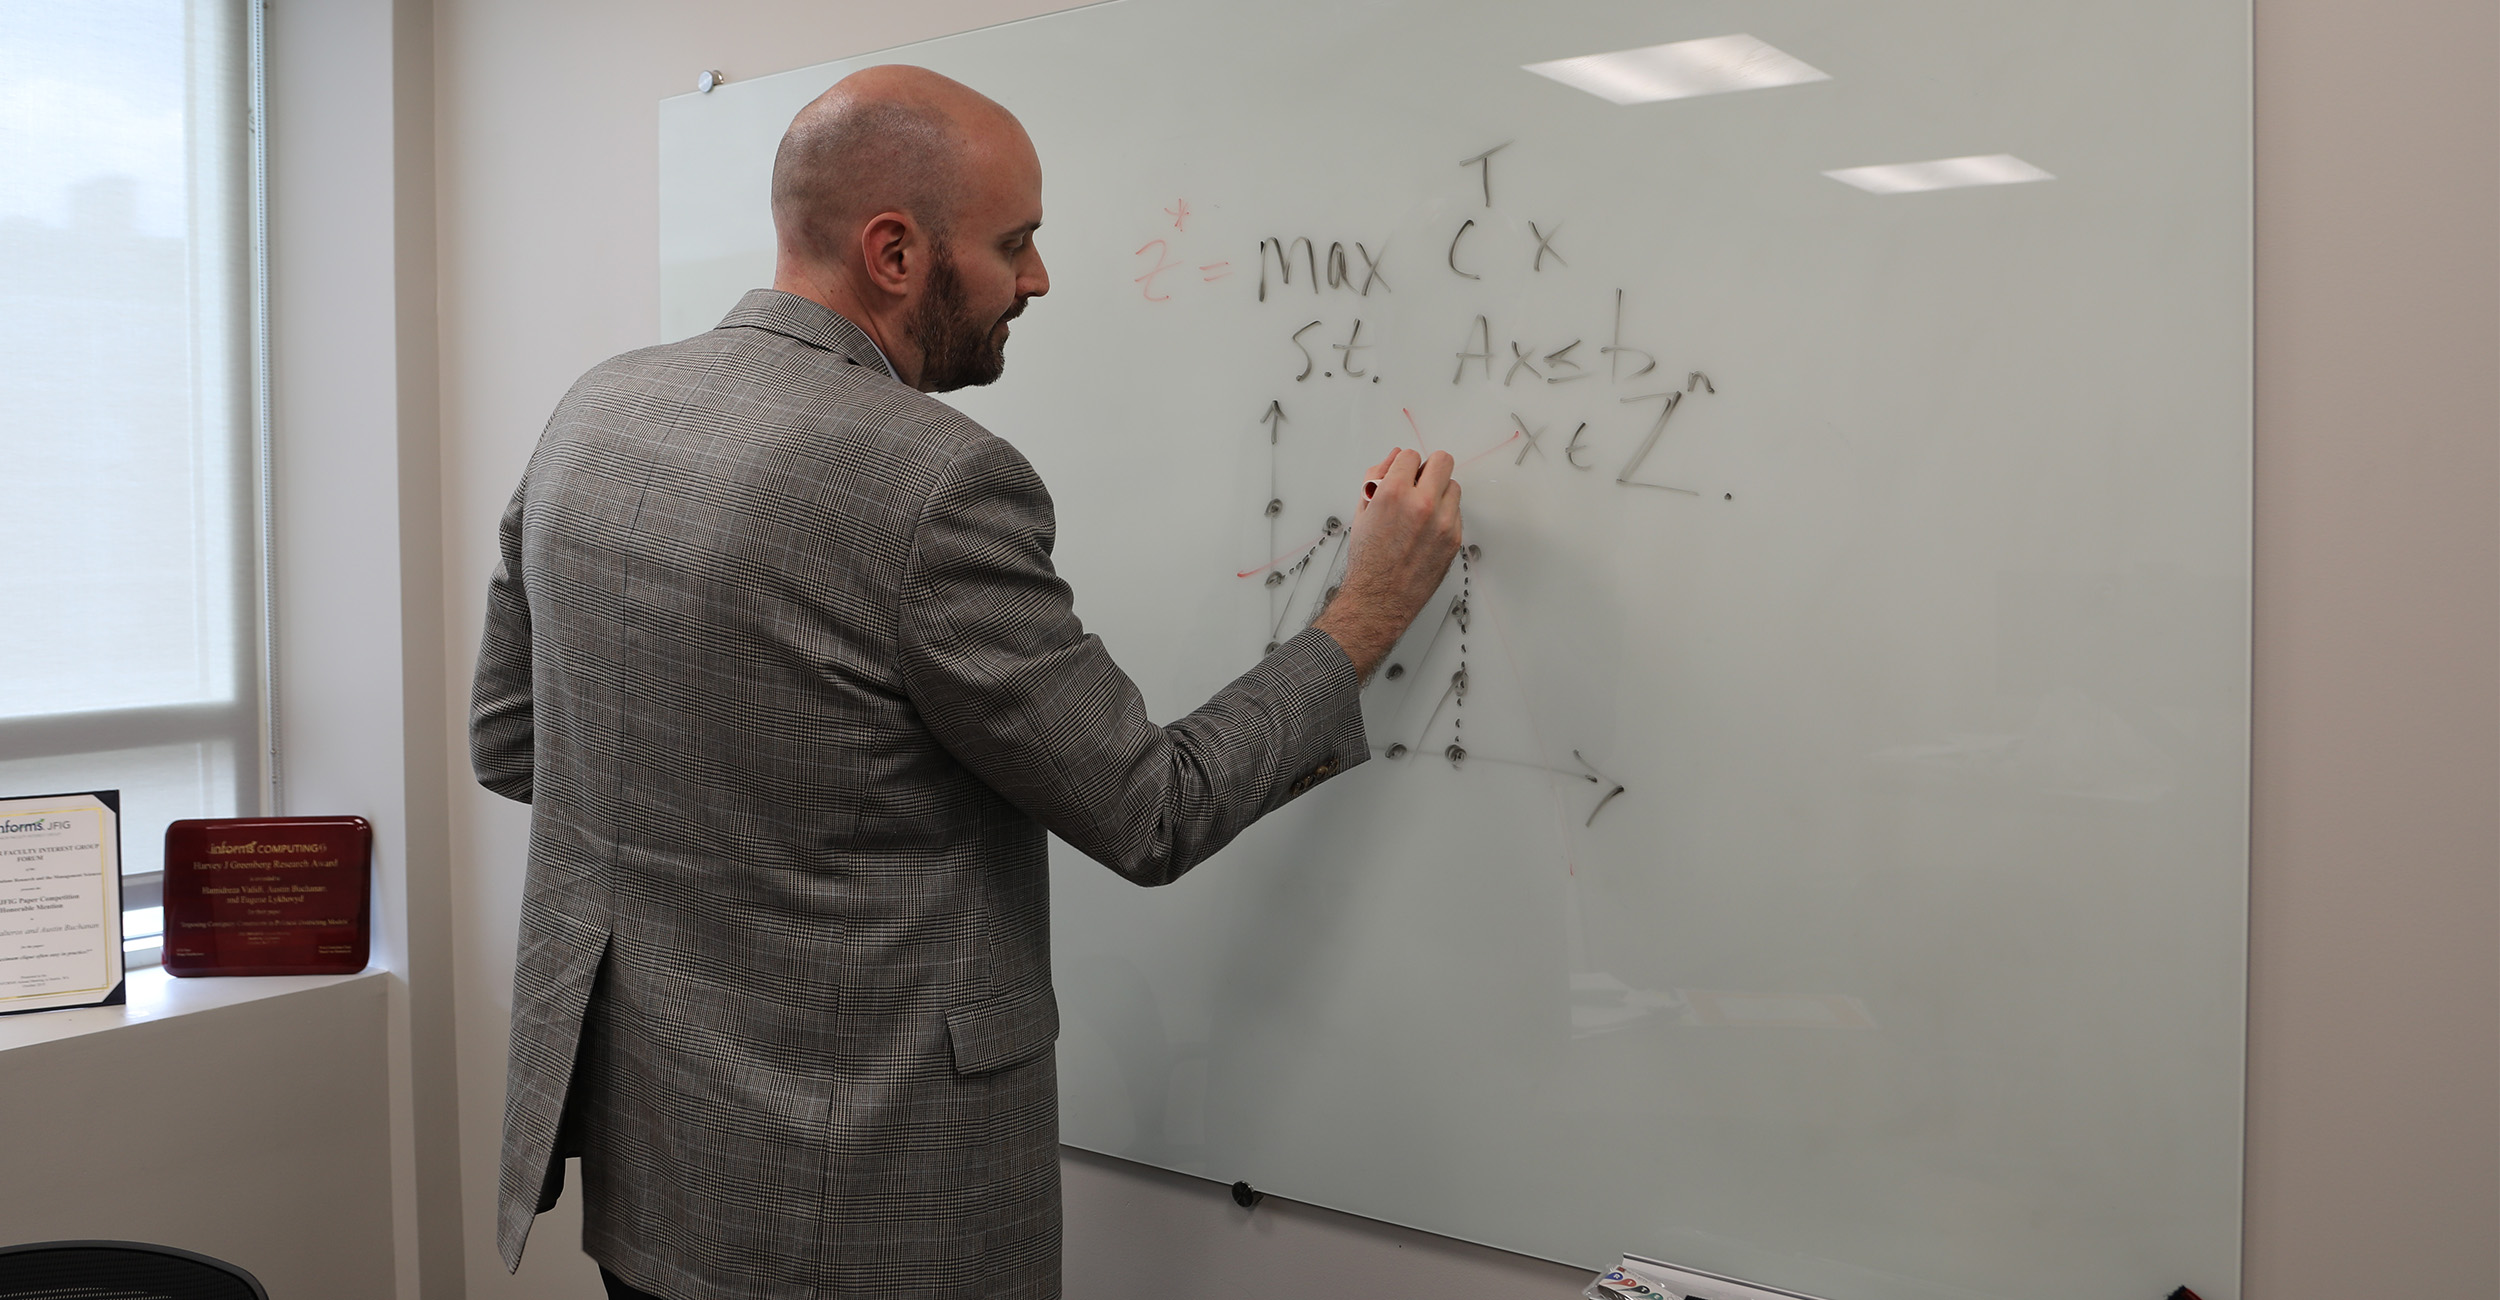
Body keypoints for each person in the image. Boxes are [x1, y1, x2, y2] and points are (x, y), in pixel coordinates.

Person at [469, 64, 1463, 1300]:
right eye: (1017, 243)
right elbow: (1152, 809)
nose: (1037, 280)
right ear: (894, 252)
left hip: (656, 1175)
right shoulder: (933, 482)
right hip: (868, 1216)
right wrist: (1364, 614)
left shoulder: (595, 414)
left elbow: (513, 745)